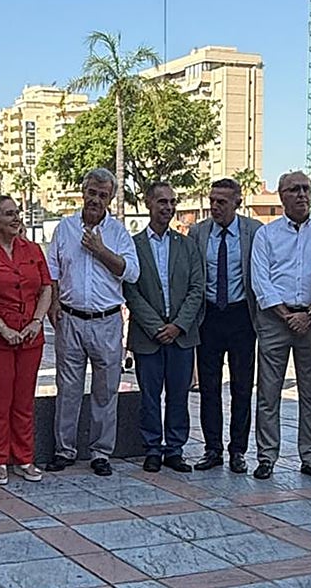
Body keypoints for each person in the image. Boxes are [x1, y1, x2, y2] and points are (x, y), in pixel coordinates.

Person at [45, 168, 140, 477]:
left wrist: (101, 251)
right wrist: (53, 304)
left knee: (106, 390)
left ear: (110, 198)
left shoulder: (118, 233)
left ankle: (101, 452)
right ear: (82, 192)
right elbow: (52, 272)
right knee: (68, 388)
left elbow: (132, 272)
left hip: (107, 321)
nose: (96, 199)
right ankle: (64, 450)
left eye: (103, 195)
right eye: (92, 193)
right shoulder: (65, 228)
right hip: (71, 319)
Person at [250, 170, 311, 482]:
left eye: (306, 188)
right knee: (268, 391)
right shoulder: (267, 235)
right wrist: (287, 315)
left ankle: (310, 457)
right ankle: (266, 457)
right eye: (294, 189)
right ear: (281, 195)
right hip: (275, 319)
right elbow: (260, 280)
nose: (302, 195)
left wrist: (310, 312)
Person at [0, 195, 52, 485]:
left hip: (30, 337)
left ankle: (25, 457)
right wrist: (3, 329)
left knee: (24, 400)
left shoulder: (33, 249)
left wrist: (37, 321)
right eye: (9, 214)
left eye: (17, 213)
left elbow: (46, 288)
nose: (16, 218)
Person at [124, 182, 204, 473]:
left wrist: (178, 325)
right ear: (148, 203)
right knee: (149, 396)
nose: (168, 207)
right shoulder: (133, 246)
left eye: (172, 202)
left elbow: (197, 287)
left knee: (179, 395)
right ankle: (152, 449)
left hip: (181, 336)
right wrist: (157, 326)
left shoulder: (187, 245)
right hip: (148, 336)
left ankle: (175, 449)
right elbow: (130, 290)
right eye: (162, 202)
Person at [190, 177, 262, 474]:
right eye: (212, 201)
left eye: (222, 201)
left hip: (241, 315)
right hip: (209, 316)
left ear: (237, 203)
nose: (215, 206)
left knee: (242, 387)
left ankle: (238, 450)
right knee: (208, 387)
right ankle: (212, 448)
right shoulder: (198, 232)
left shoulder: (254, 231)